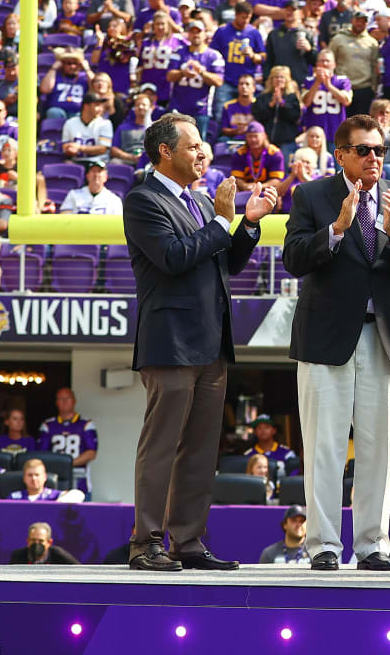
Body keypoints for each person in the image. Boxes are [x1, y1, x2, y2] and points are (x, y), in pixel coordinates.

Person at [283, 114, 390, 573]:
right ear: (342, 155)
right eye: (365, 150)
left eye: (380, 150)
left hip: (384, 338)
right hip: (326, 338)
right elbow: (293, 258)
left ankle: (372, 546)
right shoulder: (311, 195)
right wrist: (335, 230)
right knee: (324, 449)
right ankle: (323, 546)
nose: (375, 158)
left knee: (377, 451)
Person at [122, 113, 277, 572]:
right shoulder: (143, 200)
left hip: (212, 342)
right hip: (170, 341)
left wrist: (245, 225)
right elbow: (173, 259)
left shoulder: (203, 202)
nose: (203, 152)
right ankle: (145, 543)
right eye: (193, 146)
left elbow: (223, 262)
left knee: (202, 448)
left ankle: (187, 541)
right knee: (162, 446)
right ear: (165, 152)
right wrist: (222, 220)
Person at [37, 388, 98, 492]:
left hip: (79, 478)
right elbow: (42, 454)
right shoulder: (48, 425)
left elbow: (91, 453)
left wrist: (67, 464)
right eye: (61, 399)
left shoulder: (86, 424)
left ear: (74, 400)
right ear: (56, 402)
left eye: (68, 398)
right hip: (54, 477)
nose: (64, 401)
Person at [10, 522, 80, 565]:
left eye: (41, 541)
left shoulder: (59, 555)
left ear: (49, 542)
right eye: (33, 540)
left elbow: (78, 570)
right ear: (28, 541)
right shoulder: (18, 556)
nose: (37, 544)